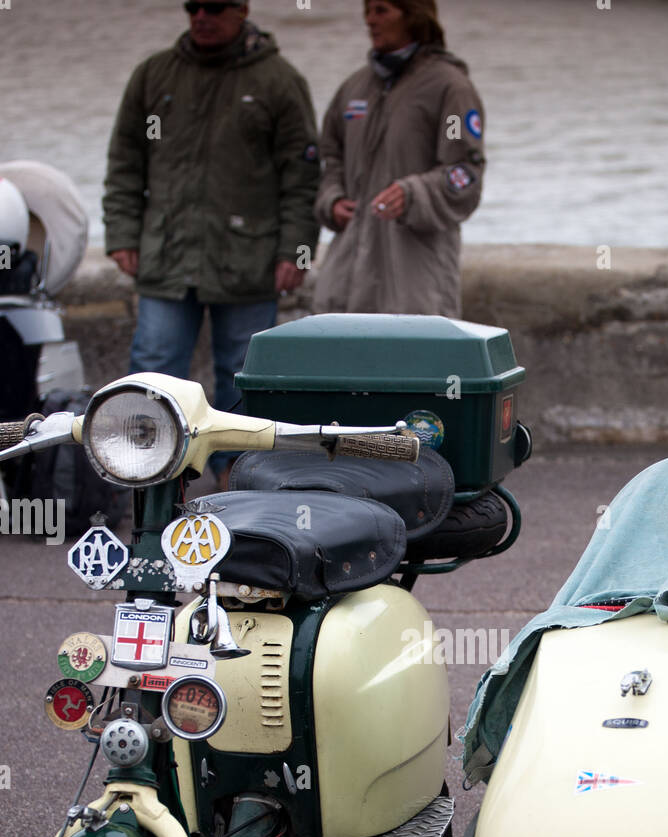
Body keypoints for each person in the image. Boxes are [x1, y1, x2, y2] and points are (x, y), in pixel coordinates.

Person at [103, 1, 320, 481]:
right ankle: (146, 473)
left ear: (242, 10)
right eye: (193, 6)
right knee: (153, 372)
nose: (202, 16)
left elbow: (302, 176)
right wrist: (121, 233)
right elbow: (124, 160)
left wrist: (295, 249)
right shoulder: (154, 75)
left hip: (248, 261)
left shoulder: (279, 81)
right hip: (166, 258)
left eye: (215, 7)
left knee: (242, 377)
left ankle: (239, 478)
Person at [312, 0, 484, 317]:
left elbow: (464, 173)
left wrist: (413, 193)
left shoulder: (450, 89)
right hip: (347, 277)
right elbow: (329, 157)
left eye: (381, 10)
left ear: (413, 15)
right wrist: (332, 201)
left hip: (415, 281)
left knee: (417, 365)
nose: (370, 21)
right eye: (367, 11)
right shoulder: (354, 89)